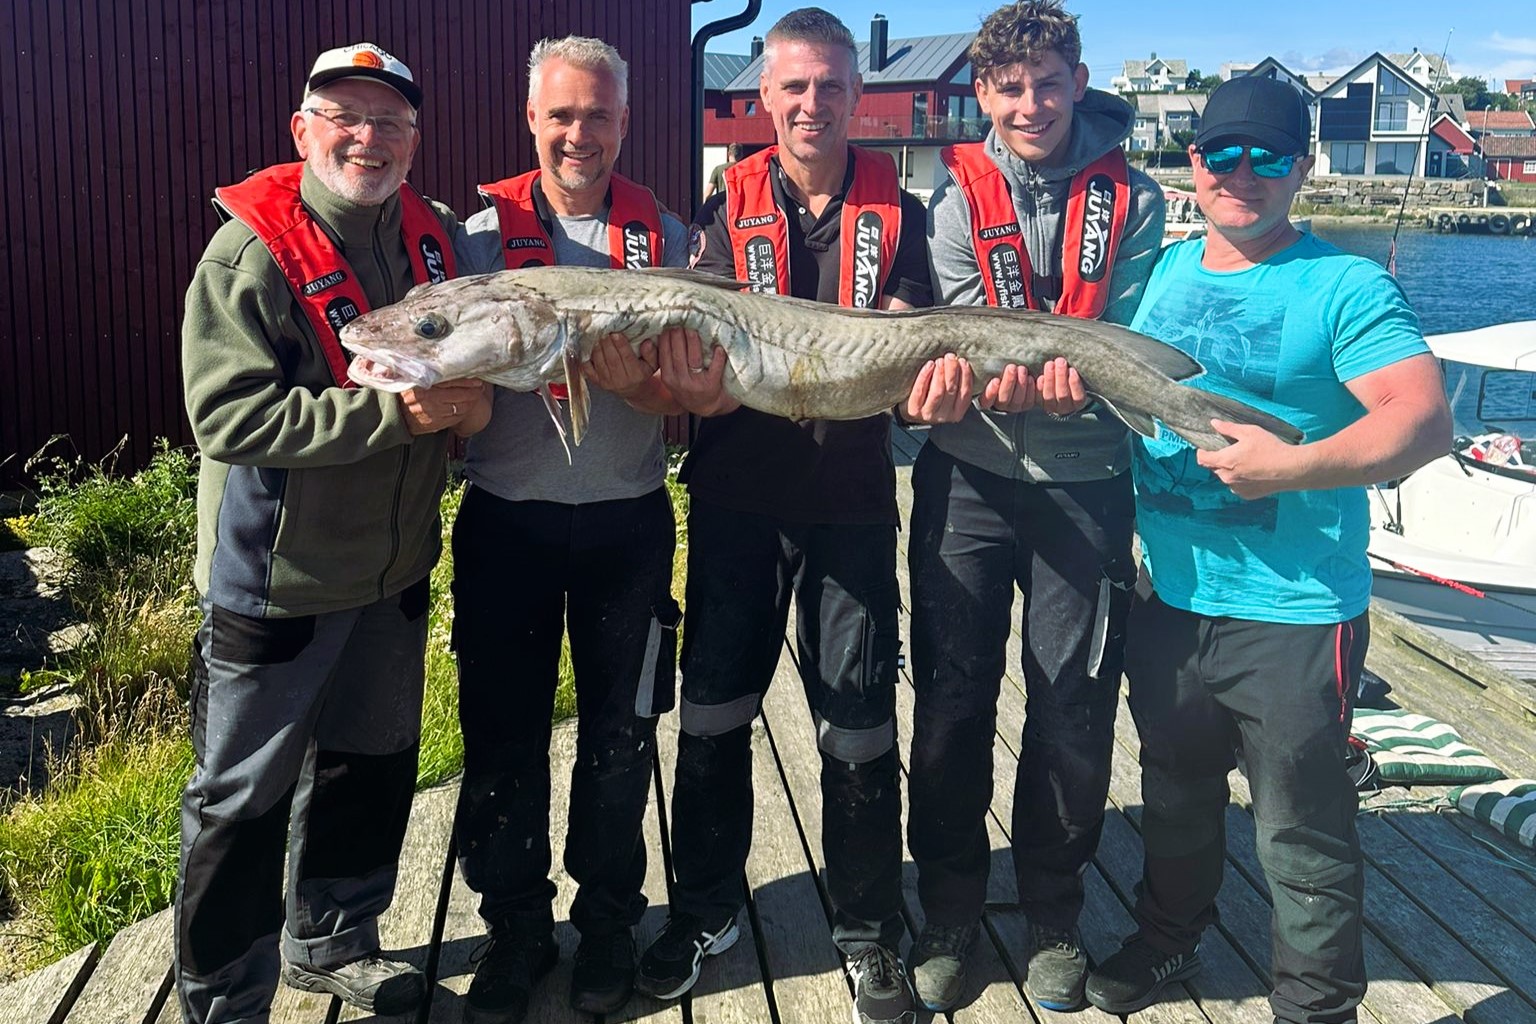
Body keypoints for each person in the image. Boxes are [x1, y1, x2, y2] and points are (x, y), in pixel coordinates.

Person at [1082, 75, 1451, 1022]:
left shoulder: (1345, 284)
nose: (1243, 175)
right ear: (1194, 162)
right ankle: (1170, 940)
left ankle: (1316, 1007)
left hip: (1293, 614)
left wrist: (1292, 468)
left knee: (1301, 833)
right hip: (1169, 597)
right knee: (1172, 797)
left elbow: (1422, 422)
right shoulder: (1158, 271)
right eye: (1223, 154)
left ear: (1304, 167)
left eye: (1271, 157)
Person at [633, 9, 971, 1024]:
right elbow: (683, 343)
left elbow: (919, 338)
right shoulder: (714, 206)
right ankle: (702, 908)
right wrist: (682, 382)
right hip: (735, 497)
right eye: (794, 87)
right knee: (713, 712)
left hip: (852, 504)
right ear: (765, 97)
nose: (812, 105)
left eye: (831, 87)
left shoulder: (906, 213)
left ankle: (868, 930)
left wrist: (933, 373)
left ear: (856, 95)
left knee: (861, 724)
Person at [175, 43, 489, 1024]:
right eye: (344, 116)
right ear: (302, 130)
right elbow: (226, 417)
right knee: (242, 798)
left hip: (392, 567)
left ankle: (334, 942)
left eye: (390, 122)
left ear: (414, 141)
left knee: (374, 761)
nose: (368, 137)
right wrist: (397, 419)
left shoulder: (430, 237)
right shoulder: (253, 249)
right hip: (277, 577)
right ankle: (223, 994)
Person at [905, 1, 1164, 1012]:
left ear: (1078, 80)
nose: (1031, 104)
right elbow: (963, 334)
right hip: (968, 479)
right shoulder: (948, 199)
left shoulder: (1134, 199)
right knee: (953, 700)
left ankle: (1054, 909)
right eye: (1010, 88)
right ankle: (951, 905)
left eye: (1048, 83)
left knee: (1071, 707)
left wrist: (1069, 372)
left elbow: (1133, 332)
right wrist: (996, 370)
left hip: (1089, 485)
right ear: (984, 94)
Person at [449, 35, 691, 1024]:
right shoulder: (474, 238)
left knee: (621, 739)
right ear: (532, 121)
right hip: (506, 522)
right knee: (501, 738)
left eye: (597, 115)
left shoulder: (667, 234)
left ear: (625, 123)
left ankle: (605, 927)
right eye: (561, 115)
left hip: (629, 526)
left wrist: (662, 386)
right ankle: (513, 932)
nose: (578, 134)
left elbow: (699, 383)